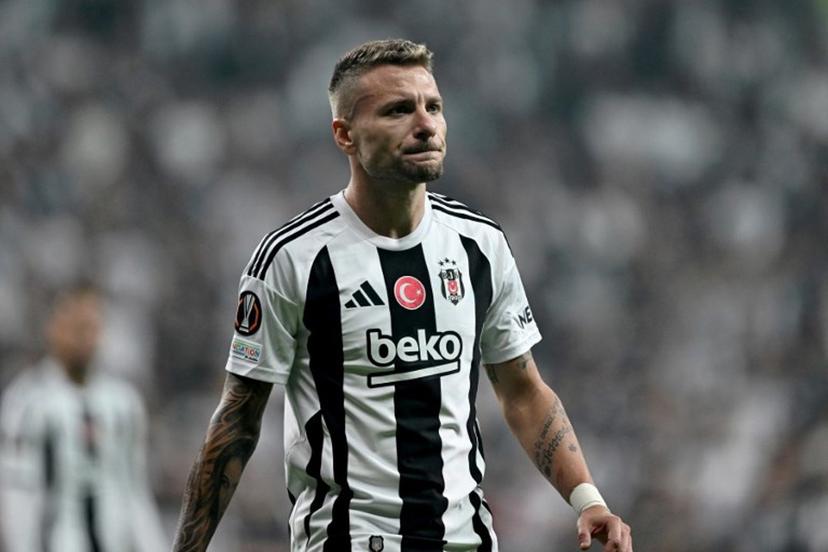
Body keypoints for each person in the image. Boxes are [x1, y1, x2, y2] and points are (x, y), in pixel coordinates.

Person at [172, 39, 633, 552]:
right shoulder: (293, 258)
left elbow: (523, 391)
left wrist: (588, 499)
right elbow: (237, 420)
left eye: (432, 106)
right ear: (344, 135)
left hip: (467, 541)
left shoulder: (480, 245)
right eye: (398, 110)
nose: (425, 123)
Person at [0, 284, 168, 552]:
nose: (83, 337)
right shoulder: (26, 403)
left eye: (90, 326)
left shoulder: (124, 404)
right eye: (75, 326)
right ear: (53, 329)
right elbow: (19, 497)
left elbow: (136, 492)